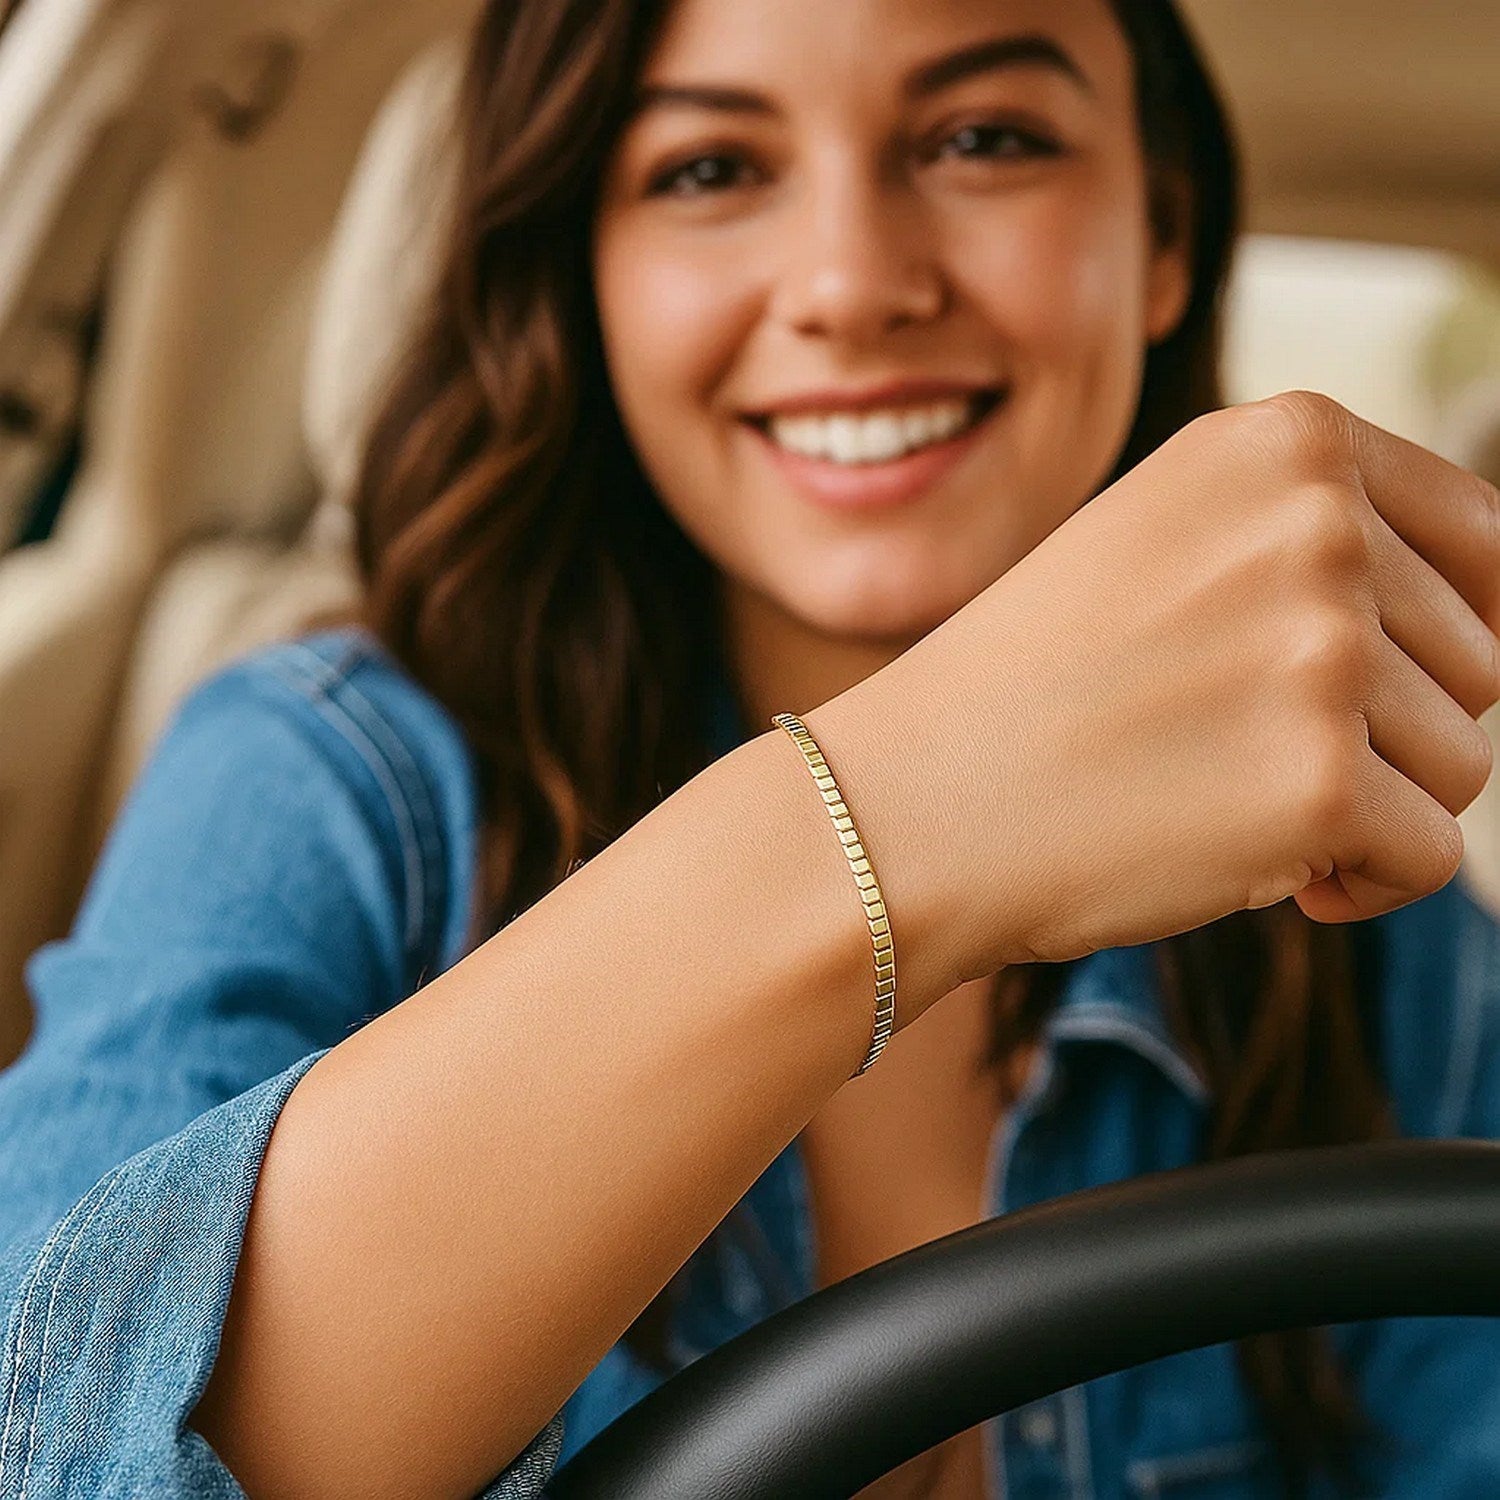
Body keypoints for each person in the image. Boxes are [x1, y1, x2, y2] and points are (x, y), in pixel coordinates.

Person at [2, 0, 1498, 1495]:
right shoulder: (327, 786)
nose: (852, 284)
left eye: (984, 140)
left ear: (1165, 238)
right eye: (710, 169)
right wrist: (911, 810)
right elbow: (52, 1455)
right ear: (584, 268)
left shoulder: (1367, 924)